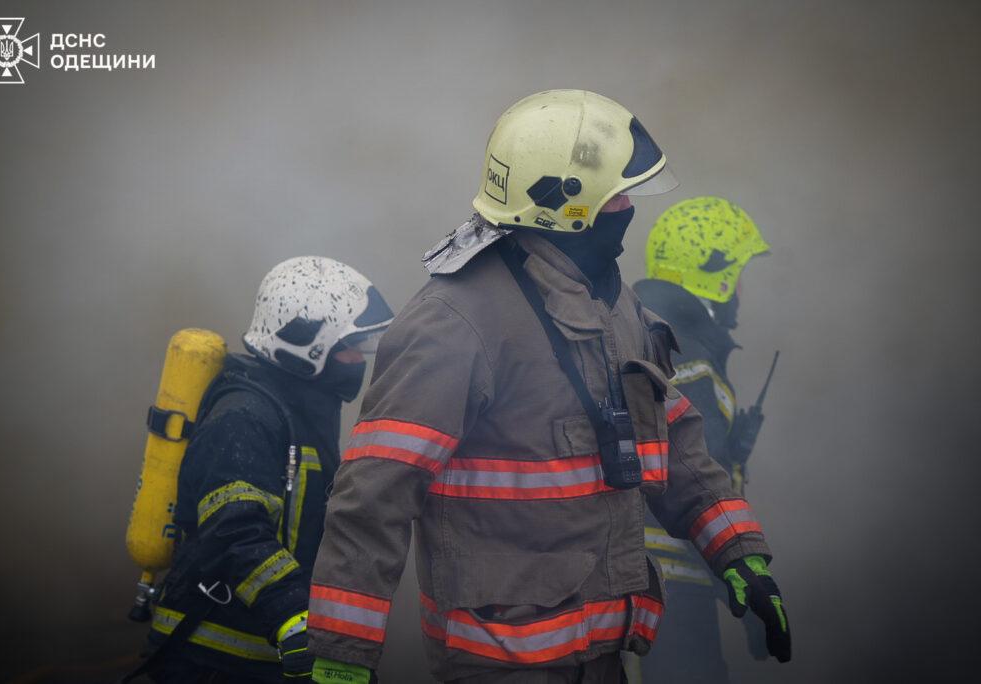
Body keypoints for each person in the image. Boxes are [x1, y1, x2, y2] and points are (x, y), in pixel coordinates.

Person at [306, 90, 791, 684]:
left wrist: (738, 552)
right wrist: (341, 657)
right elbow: (373, 495)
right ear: (565, 203)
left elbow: (675, 443)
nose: (628, 205)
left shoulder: (615, 306)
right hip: (500, 664)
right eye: (614, 193)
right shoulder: (455, 321)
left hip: (603, 656)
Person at [140, 256, 393, 683]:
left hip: (263, 656)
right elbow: (234, 531)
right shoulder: (245, 416)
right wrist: (292, 615)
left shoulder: (301, 414)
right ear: (308, 347)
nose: (357, 360)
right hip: (208, 656)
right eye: (348, 347)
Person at [634, 197, 774, 683]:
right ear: (717, 275)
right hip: (673, 591)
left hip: (646, 585)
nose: (740, 293)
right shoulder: (690, 363)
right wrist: (749, 595)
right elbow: (697, 482)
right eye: (738, 274)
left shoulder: (651, 340)